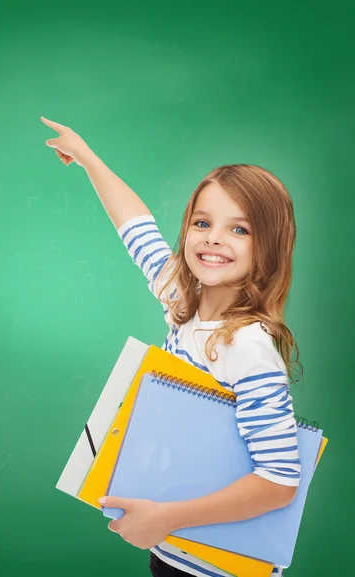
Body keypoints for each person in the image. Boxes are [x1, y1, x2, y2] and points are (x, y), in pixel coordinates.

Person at [41, 117, 302, 577]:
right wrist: (88, 159)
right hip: (174, 551)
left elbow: (279, 482)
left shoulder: (248, 347)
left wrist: (166, 518)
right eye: (203, 222)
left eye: (239, 229)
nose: (214, 238)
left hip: (221, 568)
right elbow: (136, 228)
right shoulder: (186, 303)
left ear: (270, 248)